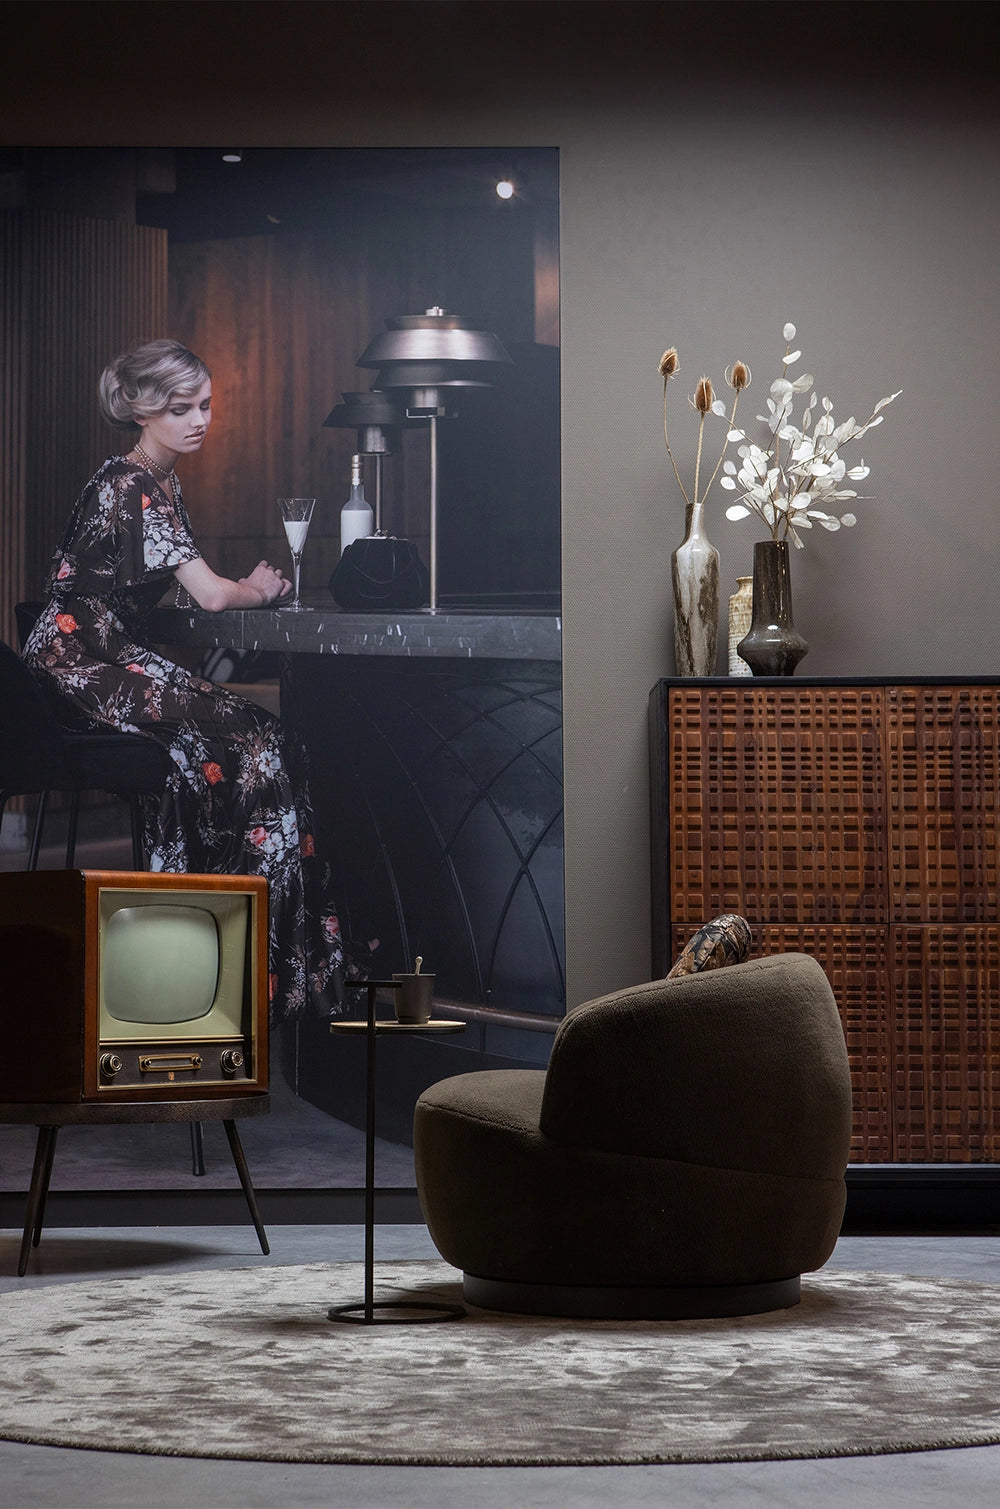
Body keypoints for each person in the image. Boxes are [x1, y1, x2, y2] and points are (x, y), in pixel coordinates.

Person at [22, 338, 348, 1021]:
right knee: (257, 740)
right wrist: (257, 588)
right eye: (180, 408)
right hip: (77, 665)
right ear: (141, 409)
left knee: (263, 741)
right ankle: (222, 946)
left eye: (205, 405)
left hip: (111, 655)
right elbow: (212, 597)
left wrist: (220, 591)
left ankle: (266, 960)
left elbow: (153, 589)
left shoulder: (158, 481)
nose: (199, 419)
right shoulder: (131, 482)